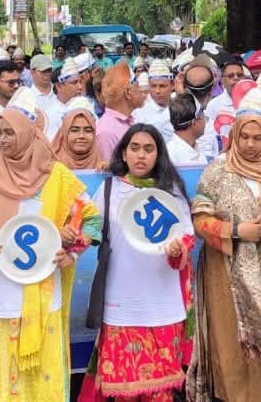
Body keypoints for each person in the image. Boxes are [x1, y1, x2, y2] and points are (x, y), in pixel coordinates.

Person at [0, 96, 101, 401]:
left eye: (10, 132)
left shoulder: (57, 175)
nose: (2, 139)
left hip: (42, 293)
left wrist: (72, 249)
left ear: (29, 131)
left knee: (41, 378)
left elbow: (92, 222)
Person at [187, 86, 261, 402]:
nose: (250, 144)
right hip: (229, 276)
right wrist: (236, 230)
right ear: (234, 135)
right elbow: (199, 221)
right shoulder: (217, 172)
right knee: (233, 343)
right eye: (244, 137)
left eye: (257, 137)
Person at [83, 125, 194, 400]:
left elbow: (187, 235)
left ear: (159, 154)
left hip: (163, 305)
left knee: (161, 393)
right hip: (120, 306)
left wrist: (178, 248)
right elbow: (90, 229)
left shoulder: (171, 192)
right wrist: (73, 239)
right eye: (134, 148)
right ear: (123, 152)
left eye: (148, 149)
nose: (141, 155)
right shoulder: (108, 189)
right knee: (123, 392)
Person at [96, 62, 137, 163]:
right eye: (136, 85)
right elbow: (109, 174)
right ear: (127, 92)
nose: (142, 90)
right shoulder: (106, 132)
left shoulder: (130, 120)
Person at [53, 95, 108, 170]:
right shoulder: (50, 165)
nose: (81, 136)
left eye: (88, 130)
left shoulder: (104, 163)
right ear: (64, 132)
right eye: (75, 130)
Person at [133, 59, 178, 143]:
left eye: (162, 86)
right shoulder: (140, 113)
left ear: (172, 85)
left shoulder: (180, 108)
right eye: (153, 86)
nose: (157, 91)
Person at [165, 90, 209, 167]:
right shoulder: (169, 156)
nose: (205, 120)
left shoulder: (197, 149)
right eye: (202, 116)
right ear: (194, 123)